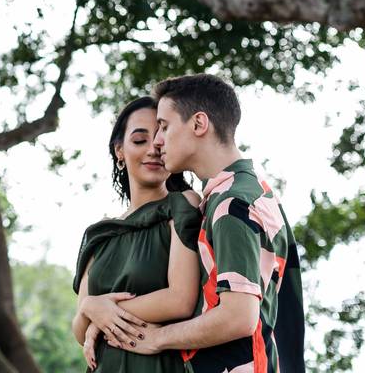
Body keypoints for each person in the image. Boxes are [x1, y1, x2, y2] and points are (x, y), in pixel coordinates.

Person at [107, 74, 305, 373]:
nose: (158, 141)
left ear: (199, 124)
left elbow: (238, 316)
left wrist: (158, 338)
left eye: (164, 126)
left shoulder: (231, 204)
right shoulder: (248, 192)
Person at [72, 96, 202, 372]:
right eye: (140, 140)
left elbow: (181, 299)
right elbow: (79, 329)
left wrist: (101, 313)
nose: (154, 149)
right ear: (119, 150)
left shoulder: (183, 205)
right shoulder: (99, 234)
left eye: (161, 138)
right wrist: (91, 308)